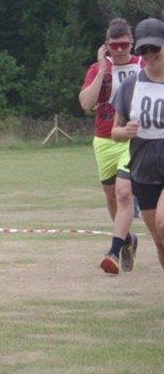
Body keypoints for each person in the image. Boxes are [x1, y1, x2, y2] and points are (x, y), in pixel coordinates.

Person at [78, 18, 141, 273]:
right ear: (106, 46)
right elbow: (85, 103)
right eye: (114, 46)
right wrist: (103, 70)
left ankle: (113, 252)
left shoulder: (143, 65)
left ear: (132, 43)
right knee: (112, 198)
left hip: (134, 140)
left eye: (124, 44)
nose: (120, 50)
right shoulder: (97, 68)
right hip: (104, 139)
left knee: (124, 193)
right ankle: (127, 241)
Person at [111, 18, 164, 272]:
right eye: (144, 49)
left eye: (155, 47)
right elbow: (115, 132)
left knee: (163, 224)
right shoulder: (131, 85)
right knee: (159, 240)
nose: (149, 54)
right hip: (144, 171)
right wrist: (126, 131)